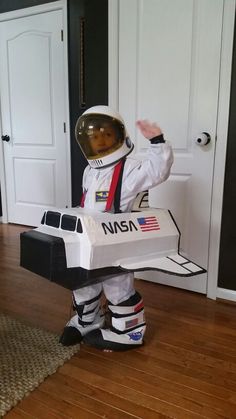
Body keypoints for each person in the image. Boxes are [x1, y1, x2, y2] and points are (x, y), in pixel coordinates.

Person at [59, 105, 174, 351]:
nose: (100, 141)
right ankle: (88, 320)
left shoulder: (129, 169)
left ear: (119, 136)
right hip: (90, 237)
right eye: (94, 137)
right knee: (83, 282)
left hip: (117, 239)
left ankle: (131, 332)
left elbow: (157, 172)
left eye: (106, 135)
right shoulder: (90, 170)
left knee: (117, 286)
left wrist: (157, 141)